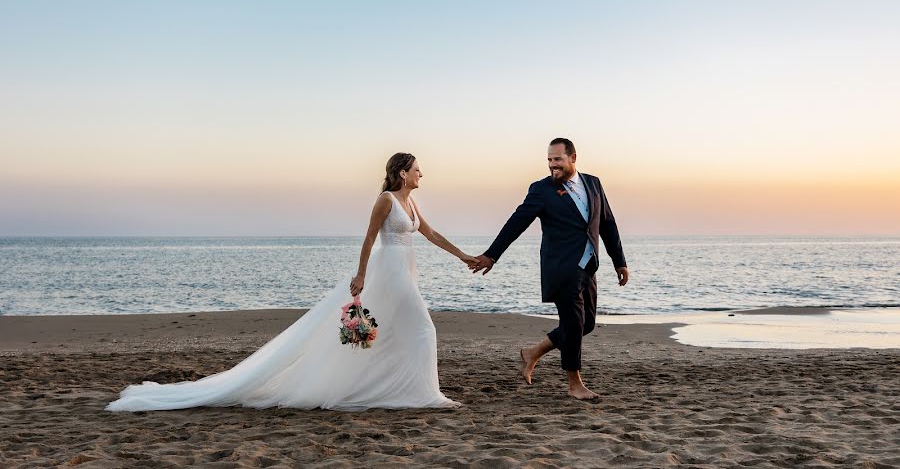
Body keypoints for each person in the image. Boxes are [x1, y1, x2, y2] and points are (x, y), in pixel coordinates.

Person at [106, 152, 473, 412]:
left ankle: (397, 389)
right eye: (417, 170)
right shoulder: (387, 199)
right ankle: (426, 395)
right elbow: (368, 238)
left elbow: (432, 234)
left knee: (397, 334)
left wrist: (465, 257)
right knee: (424, 330)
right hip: (389, 271)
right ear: (401, 173)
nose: (421, 174)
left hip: (406, 269)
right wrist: (360, 274)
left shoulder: (411, 204)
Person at [471, 138, 629, 400]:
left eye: (557, 159)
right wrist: (492, 255)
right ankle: (575, 383)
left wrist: (619, 261)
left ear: (573, 158)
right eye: (549, 160)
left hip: (588, 266)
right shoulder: (541, 190)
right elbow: (517, 223)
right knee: (574, 323)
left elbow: (607, 224)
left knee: (586, 323)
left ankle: (533, 352)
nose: (552, 165)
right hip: (561, 268)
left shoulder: (593, 183)